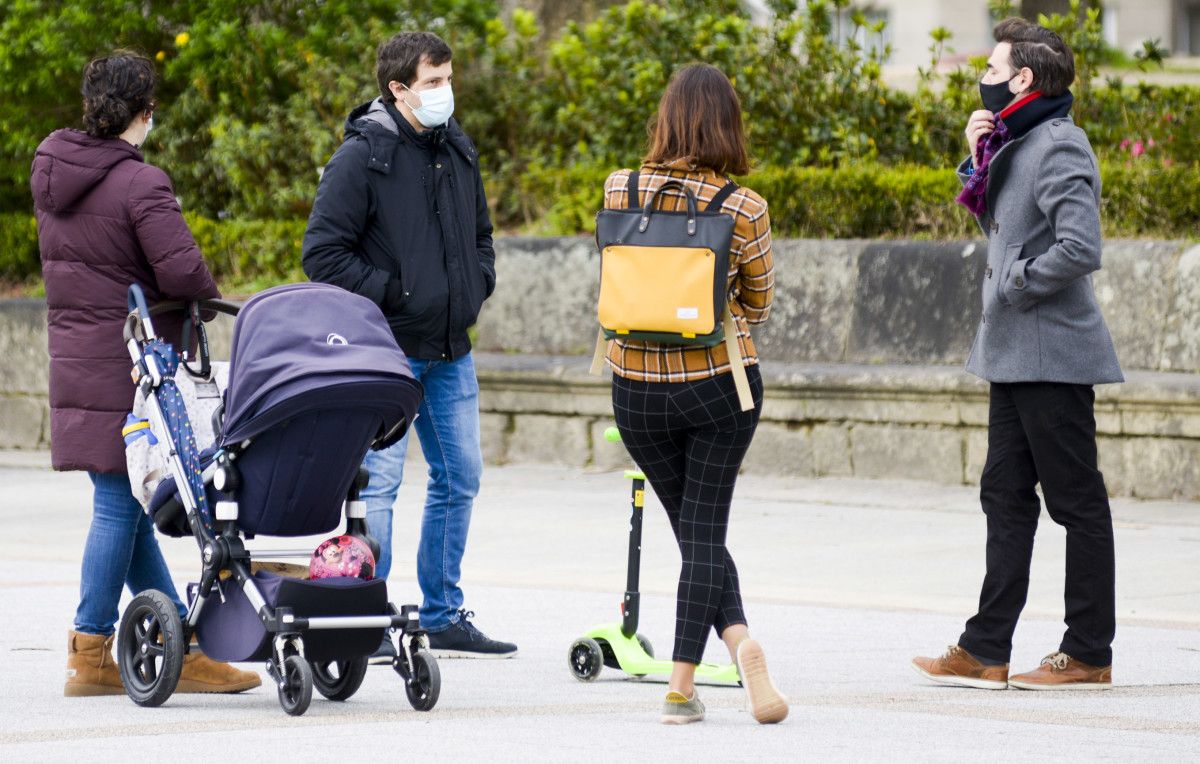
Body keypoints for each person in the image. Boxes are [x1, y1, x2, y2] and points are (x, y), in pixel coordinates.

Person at [31, 51, 260, 696]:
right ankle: (91, 647)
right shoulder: (141, 183)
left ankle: (178, 645)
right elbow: (184, 274)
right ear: (144, 111)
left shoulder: (54, 171)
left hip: (81, 360)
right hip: (134, 364)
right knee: (118, 502)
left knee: (129, 502)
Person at [912, 18, 1123, 691]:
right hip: (1010, 352)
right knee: (1004, 495)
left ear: (1023, 79)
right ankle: (985, 647)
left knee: (1075, 502)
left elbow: (1080, 246)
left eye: (993, 68)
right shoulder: (1015, 139)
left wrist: (1017, 281)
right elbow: (1002, 225)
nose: (985, 78)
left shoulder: (1059, 144)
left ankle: (1088, 650)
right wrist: (976, 157)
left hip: (1051, 353)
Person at [302, 31, 515, 661]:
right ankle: (362, 619)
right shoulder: (361, 158)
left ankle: (443, 613)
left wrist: (478, 283)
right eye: (432, 82)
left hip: (452, 346)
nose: (445, 92)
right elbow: (322, 254)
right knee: (379, 489)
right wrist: (393, 295)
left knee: (460, 479)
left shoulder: (456, 147)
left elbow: (480, 232)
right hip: (386, 351)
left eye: (448, 79)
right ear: (398, 89)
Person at [601, 64, 787, 725]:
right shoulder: (744, 206)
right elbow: (758, 305)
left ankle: (737, 643)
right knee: (705, 533)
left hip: (636, 392)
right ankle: (683, 683)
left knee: (692, 533)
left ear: (666, 118)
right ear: (728, 125)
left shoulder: (619, 190)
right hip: (719, 387)